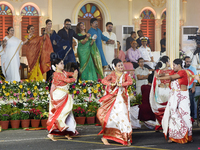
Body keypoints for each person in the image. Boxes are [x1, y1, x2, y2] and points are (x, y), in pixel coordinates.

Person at [155, 59, 192, 144]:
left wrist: (158, 77)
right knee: (173, 114)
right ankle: (174, 136)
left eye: (174, 65)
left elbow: (170, 77)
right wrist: (159, 74)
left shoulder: (182, 72)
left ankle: (187, 136)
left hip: (183, 97)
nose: (173, 67)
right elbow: (167, 74)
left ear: (179, 65)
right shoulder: (174, 72)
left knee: (184, 115)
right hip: (175, 96)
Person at [97, 58, 133, 146]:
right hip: (113, 100)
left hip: (122, 99)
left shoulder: (125, 75)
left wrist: (121, 84)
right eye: (119, 65)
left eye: (121, 65)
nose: (121, 67)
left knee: (123, 118)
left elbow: (130, 82)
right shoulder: (112, 74)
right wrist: (111, 84)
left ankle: (125, 137)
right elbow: (103, 81)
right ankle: (105, 137)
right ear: (115, 67)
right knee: (112, 118)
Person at [47, 53, 78, 141]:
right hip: (59, 96)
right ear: (56, 65)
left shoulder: (63, 72)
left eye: (63, 63)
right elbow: (67, 80)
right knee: (60, 114)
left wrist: (74, 73)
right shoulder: (57, 74)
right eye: (61, 63)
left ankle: (67, 132)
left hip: (64, 96)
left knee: (67, 113)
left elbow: (69, 74)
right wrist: (74, 78)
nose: (63, 65)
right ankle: (51, 133)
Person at [149, 57, 171, 131]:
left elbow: (155, 84)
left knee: (161, 108)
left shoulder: (157, 71)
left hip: (161, 91)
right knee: (168, 108)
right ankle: (168, 125)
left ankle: (160, 125)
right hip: (168, 91)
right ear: (166, 62)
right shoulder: (172, 71)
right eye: (169, 61)